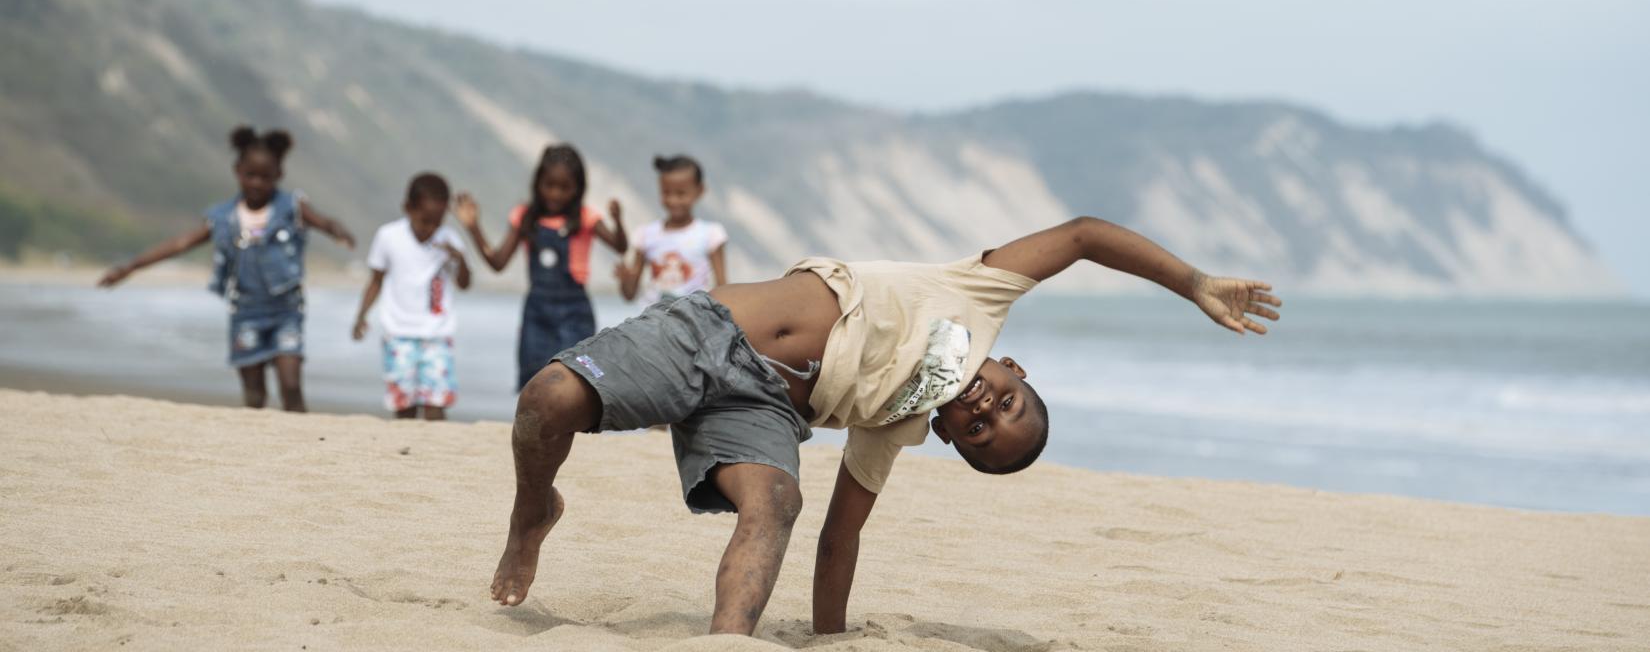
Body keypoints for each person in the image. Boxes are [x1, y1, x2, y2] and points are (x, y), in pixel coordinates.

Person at [487, 216, 1282, 635]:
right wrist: (1192, 282)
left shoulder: (895, 424)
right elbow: (1082, 237)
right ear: (1017, 372)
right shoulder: (982, 294)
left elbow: (841, 539)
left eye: (979, 432)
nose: (982, 411)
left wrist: (831, 639)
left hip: (762, 412)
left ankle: (727, 640)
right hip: (706, 336)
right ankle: (533, 513)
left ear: (946, 437)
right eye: (1004, 403)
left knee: (777, 504)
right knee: (548, 401)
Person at [97, 126, 356, 411]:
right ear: (237, 171)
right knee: (254, 392)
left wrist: (338, 231)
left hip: (286, 311)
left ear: (278, 175)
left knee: (291, 385)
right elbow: (180, 243)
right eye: (250, 175)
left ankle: (306, 441)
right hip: (245, 312)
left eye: (265, 177)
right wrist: (130, 267)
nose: (257, 183)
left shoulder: (291, 207)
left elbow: (324, 222)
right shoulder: (222, 217)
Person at [454, 143, 628, 390]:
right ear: (538, 184)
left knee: (577, 378)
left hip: (575, 310)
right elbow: (498, 263)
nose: (555, 194)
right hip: (537, 310)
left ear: (578, 189)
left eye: (564, 188)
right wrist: (474, 228)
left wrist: (618, 221)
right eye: (549, 185)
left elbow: (620, 247)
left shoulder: (586, 218)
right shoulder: (525, 217)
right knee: (535, 377)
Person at [351, 172, 472, 420]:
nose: (431, 228)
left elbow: (465, 283)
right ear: (408, 208)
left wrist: (458, 259)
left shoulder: (449, 239)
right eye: (425, 220)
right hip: (398, 335)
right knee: (403, 405)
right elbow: (375, 281)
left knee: (436, 404)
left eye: (437, 222)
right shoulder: (389, 236)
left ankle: (434, 454)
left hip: (437, 335)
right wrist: (361, 316)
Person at [615, 154, 728, 306]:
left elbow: (723, 288)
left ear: (700, 190)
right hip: (653, 321)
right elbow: (630, 294)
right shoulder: (646, 235)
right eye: (666, 193)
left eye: (681, 194)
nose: (673, 200)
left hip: (694, 319)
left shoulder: (710, 235)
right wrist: (625, 281)